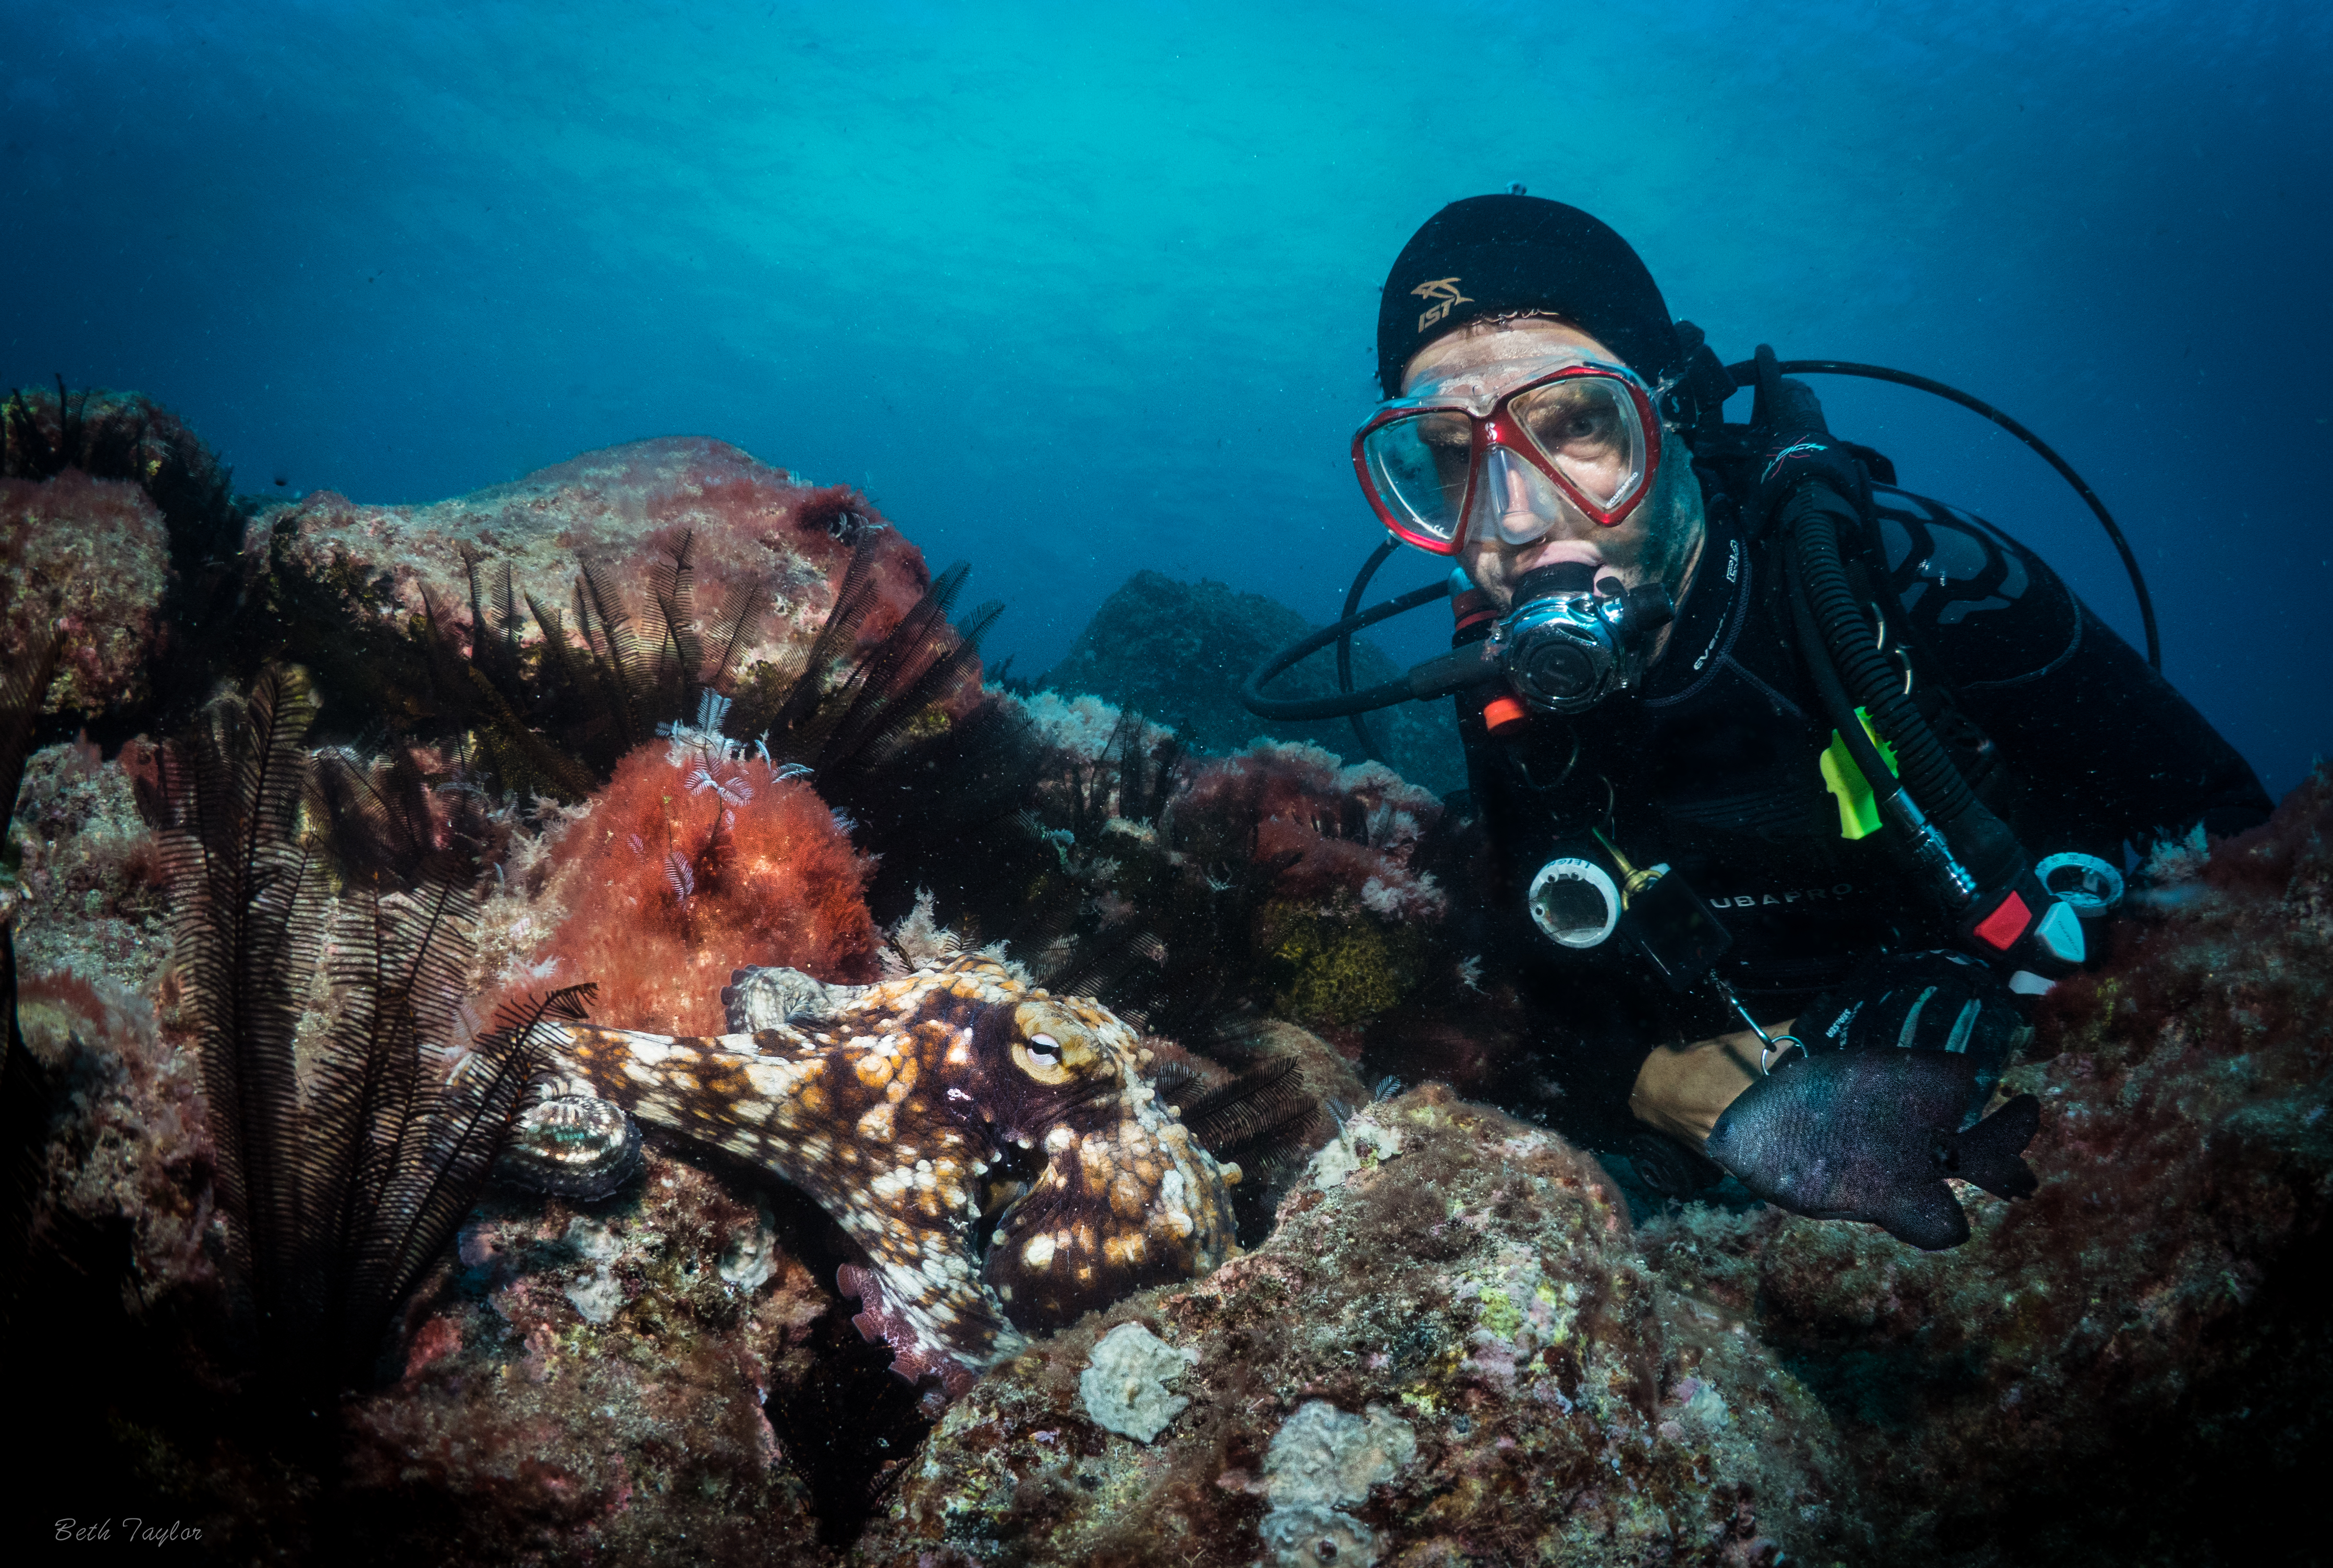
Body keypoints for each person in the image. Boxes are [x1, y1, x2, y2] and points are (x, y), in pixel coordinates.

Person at [1353, 194, 2271, 1204]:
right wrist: (1648, 1083)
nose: (1516, 517)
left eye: (1576, 423)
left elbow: (2246, 857)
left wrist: (2072, 996)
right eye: (1447, 455)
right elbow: (1547, 968)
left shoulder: (1936, 590)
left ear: (1674, 413)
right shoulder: (1512, 694)